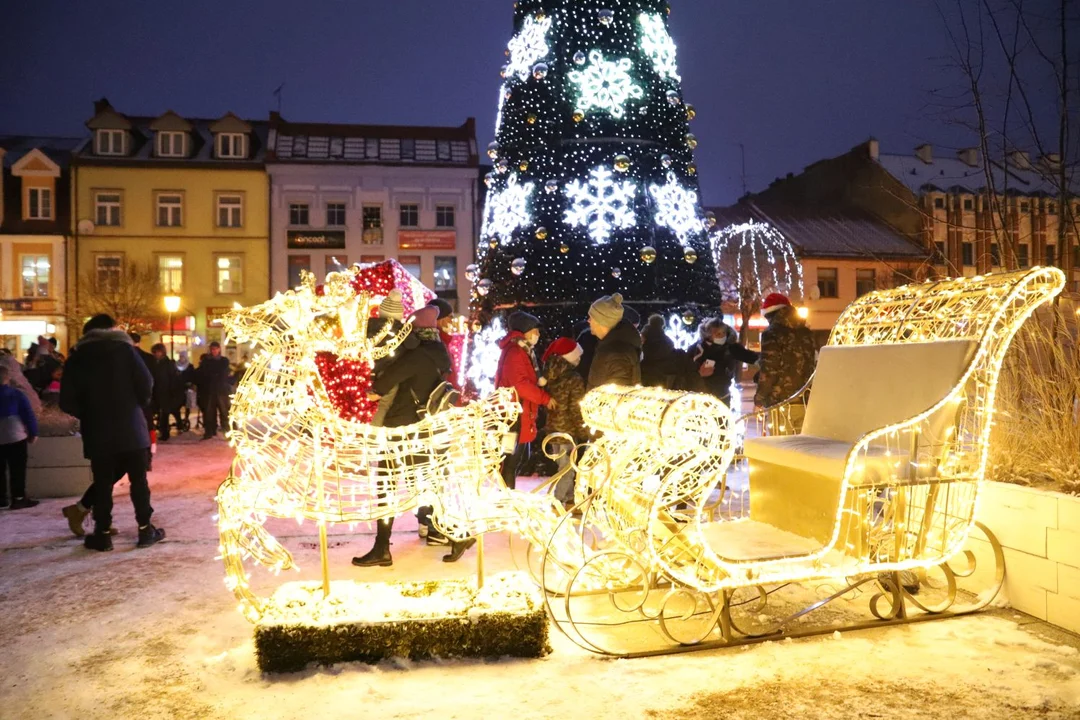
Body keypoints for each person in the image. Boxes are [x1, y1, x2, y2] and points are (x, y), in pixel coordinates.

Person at [353, 305, 464, 567]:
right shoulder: (438, 354)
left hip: (401, 429)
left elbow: (381, 385)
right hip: (420, 429)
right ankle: (457, 535)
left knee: (387, 486)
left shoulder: (417, 356)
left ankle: (383, 549)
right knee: (424, 486)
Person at [58, 314, 164, 551]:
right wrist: (135, 406)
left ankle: (102, 534)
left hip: (98, 430)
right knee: (139, 481)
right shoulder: (126, 351)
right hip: (132, 428)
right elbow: (146, 383)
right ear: (111, 329)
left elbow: (66, 401)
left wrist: (89, 413)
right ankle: (145, 529)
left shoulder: (78, 358)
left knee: (103, 482)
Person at [495, 311, 553, 491]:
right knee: (510, 460)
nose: (538, 335)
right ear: (525, 331)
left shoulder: (521, 350)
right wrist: (545, 399)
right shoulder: (515, 352)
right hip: (513, 416)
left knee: (517, 458)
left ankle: (506, 493)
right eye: (535, 331)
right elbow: (521, 384)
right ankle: (505, 497)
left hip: (518, 412)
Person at [755, 293, 817, 426]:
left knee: (780, 445)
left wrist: (759, 399)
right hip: (805, 400)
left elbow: (769, 370)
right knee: (801, 445)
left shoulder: (772, 333)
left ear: (770, 314)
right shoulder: (806, 333)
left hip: (780, 401)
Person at [539, 338, 586, 507]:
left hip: (553, 429)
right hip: (568, 431)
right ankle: (558, 501)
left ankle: (569, 499)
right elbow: (575, 408)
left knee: (564, 466)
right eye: (577, 357)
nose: (579, 360)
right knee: (567, 469)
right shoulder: (574, 379)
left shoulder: (550, 376)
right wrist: (582, 430)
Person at [692, 317, 758, 406]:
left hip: (723, 394)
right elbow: (688, 370)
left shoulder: (730, 348)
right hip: (703, 396)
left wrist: (764, 359)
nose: (721, 336)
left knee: (723, 418)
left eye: (723, 333)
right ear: (709, 335)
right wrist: (699, 374)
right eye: (717, 333)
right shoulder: (699, 349)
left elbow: (749, 356)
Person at [0, 362, 40, 510]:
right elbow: (28, 415)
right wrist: (33, 432)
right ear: (7, 378)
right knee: (17, 468)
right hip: (15, 436)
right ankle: (18, 498)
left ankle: (2, 498)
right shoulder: (16, 394)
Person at [586, 293, 642, 390]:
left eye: (591, 317)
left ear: (601, 321)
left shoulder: (616, 354)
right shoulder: (610, 347)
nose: (588, 321)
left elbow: (616, 397)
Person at [640, 314, 705, 392]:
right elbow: (696, 381)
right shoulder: (680, 357)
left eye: (642, 339)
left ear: (647, 340)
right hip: (681, 400)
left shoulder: (643, 362)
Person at [129, 332, 157, 470]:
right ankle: (148, 457)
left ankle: (135, 460)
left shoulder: (125, 359)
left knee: (134, 430)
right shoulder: (150, 358)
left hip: (131, 401)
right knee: (148, 429)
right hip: (147, 400)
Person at [198, 342, 232, 440]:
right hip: (210, 390)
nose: (214, 351)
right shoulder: (206, 360)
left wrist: (214, 374)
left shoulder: (224, 360)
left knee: (224, 412)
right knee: (209, 413)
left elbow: (222, 372)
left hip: (221, 390)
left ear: (219, 349)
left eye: (215, 349)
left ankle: (227, 431)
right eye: (212, 349)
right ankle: (209, 431)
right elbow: (204, 373)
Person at [150, 343, 182, 441]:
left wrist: (173, 392)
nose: (155, 354)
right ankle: (164, 431)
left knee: (165, 413)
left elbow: (173, 378)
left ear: (162, 352)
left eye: (157, 352)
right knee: (162, 413)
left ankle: (165, 432)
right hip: (158, 391)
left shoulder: (168, 364)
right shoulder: (155, 363)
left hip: (166, 392)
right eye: (154, 352)